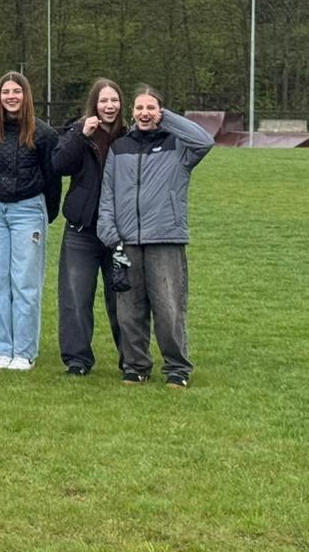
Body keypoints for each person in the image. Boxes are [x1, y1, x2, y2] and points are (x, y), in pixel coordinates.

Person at [96, 88, 213, 387]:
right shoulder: (120, 147)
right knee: (129, 310)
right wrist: (109, 232)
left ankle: (177, 368)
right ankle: (136, 366)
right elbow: (107, 194)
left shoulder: (179, 146)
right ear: (132, 112)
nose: (145, 113)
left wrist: (168, 120)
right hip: (126, 241)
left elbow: (204, 141)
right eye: (139, 108)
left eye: (151, 108)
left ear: (161, 111)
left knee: (168, 309)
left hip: (165, 238)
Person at [0, 71, 60, 372]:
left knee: (25, 283)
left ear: (26, 95)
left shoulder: (44, 134)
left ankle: (23, 351)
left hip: (28, 211)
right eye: (6, 92)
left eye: (17, 91)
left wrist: (45, 214)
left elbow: (52, 179)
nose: (11, 97)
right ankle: (2, 348)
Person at [51, 79, 127, 377]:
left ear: (121, 104)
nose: (109, 106)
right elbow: (59, 165)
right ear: (94, 104)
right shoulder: (79, 132)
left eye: (114, 100)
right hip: (81, 230)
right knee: (75, 298)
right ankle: (77, 360)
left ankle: (131, 359)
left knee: (123, 300)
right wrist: (81, 136)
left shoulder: (130, 136)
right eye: (103, 101)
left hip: (120, 232)